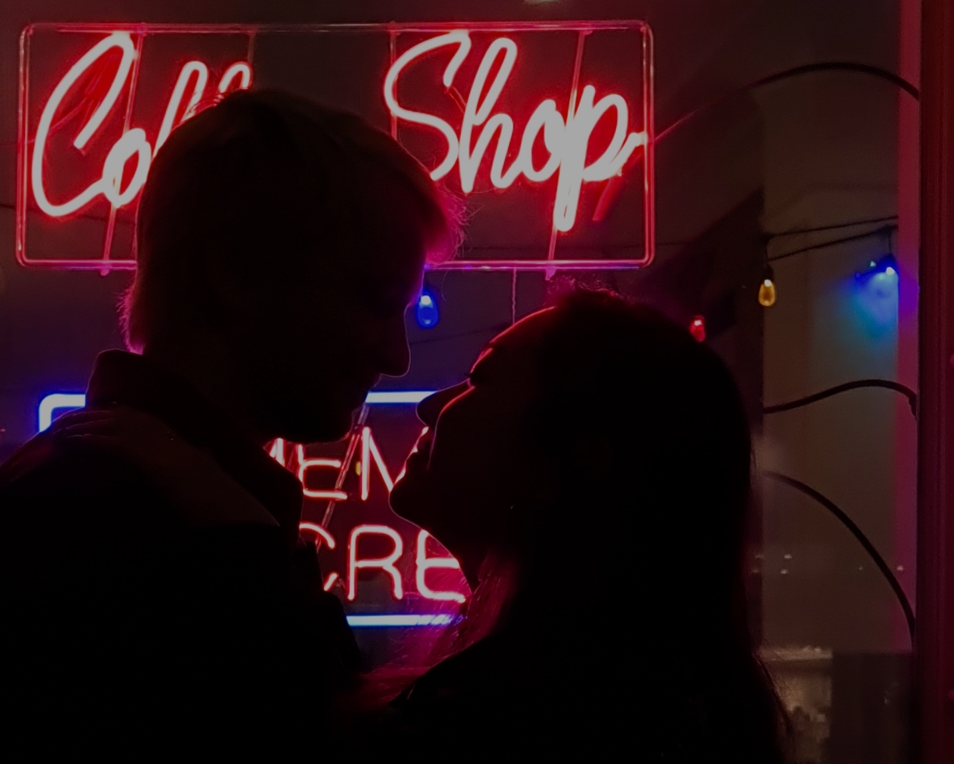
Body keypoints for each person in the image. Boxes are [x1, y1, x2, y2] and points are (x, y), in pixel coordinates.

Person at [0, 89, 458, 758]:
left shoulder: (108, 489)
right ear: (231, 274)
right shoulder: (116, 514)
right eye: (375, 299)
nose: (398, 356)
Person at [65, 289, 787, 761]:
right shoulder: (639, 698)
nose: (427, 401)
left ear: (572, 456)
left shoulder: (510, 722)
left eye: (483, 379)